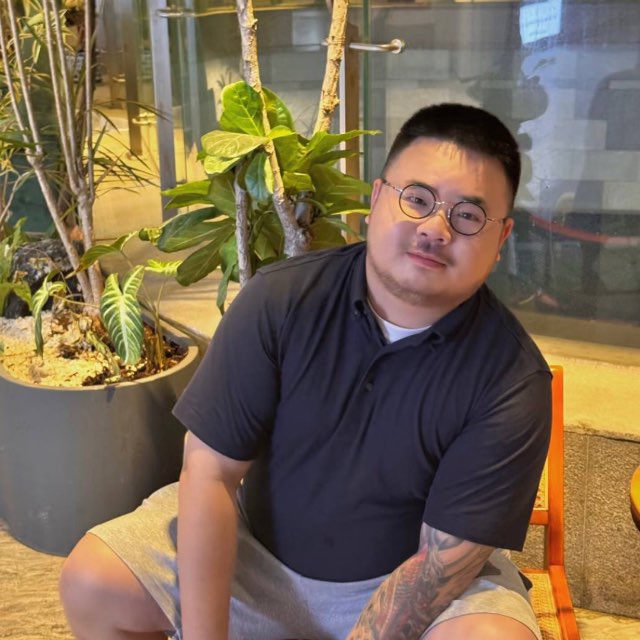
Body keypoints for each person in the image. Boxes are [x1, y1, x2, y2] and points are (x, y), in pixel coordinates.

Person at [59, 103, 551, 640]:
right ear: (377, 199)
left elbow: (438, 569)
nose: (435, 229)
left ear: (501, 239)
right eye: (417, 199)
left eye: (468, 216)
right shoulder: (281, 299)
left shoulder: (512, 380)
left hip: (402, 583)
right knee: (92, 582)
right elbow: (210, 474)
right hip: (255, 552)